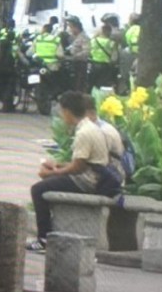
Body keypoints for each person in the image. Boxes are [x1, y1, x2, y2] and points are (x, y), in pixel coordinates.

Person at [27, 91, 111, 252]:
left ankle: (44, 238)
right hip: (92, 175)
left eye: (61, 111)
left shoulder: (84, 133)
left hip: (88, 181)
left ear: (66, 111)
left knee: (38, 189)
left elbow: (78, 167)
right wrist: (58, 165)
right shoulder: (90, 127)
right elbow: (83, 162)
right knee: (47, 184)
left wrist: (51, 173)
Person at [65, 17, 90, 92]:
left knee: (79, 85)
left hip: (80, 64)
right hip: (74, 63)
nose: (69, 29)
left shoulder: (84, 37)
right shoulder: (74, 37)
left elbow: (86, 51)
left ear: (76, 27)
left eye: (70, 27)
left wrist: (74, 57)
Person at [90, 24, 118, 89]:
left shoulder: (93, 41)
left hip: (94, 64)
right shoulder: (111, 43)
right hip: (105, 66)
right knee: (103, 85)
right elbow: (114, 58)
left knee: (93, 84)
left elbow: (89, 52)